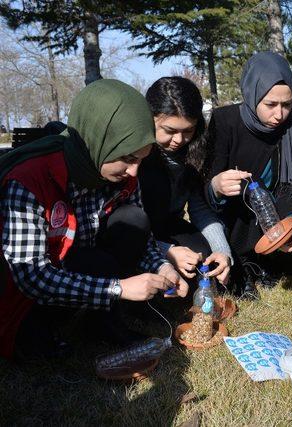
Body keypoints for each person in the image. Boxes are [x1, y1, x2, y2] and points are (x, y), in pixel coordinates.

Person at [0, 79, 188, 360]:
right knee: (34, 348)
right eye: (127, 157)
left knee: (133, 219)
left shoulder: (122, 174)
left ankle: (103, 323)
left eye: (141, 159)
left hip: (78, 265)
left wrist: (162, 267)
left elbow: (142, 238)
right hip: (24, 296)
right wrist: (119, 288)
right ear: (97, 140)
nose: (135, 172)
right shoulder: (29, 179)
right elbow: (31, 277)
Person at [202, 52, 292, 299]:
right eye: (271, 104)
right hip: (233, 213)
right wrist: (216, 186)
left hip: (274, 211)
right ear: (252, 96)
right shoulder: (225, 121)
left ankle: (267, 265)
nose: (280, 114)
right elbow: (205, 186)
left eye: (287, 104)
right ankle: (244, 267)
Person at [140, 77, 232, 287]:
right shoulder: (136, 159)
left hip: (171, 225)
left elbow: (198, 206)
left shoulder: (195, 153)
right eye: (170, 131)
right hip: (138, 232)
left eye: (188, 131)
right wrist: (167, 251)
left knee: (204, 259)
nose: (179, 141)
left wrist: (221, 250)